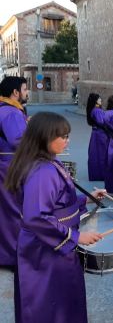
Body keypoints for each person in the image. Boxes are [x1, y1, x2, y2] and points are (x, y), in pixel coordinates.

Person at [5, 112, 106, 323]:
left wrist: (84, 200)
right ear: (44, 137)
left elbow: (56, 204)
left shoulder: (47, 161)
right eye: (62, 136)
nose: (67, 140)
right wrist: (76, 237)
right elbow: (37, 217)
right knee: (49, 304)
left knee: (58, 301)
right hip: (45, 250)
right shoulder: (43, 171)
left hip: (48, 245)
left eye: (68, 135)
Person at [0, 76, 28, 269]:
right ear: (15, 92)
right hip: (9, 166)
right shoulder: (11, 112)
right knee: (13, 213)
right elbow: (19, 140)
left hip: (4, 164)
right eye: (25, 89)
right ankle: (12, 257)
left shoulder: (4, 108)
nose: (27, 93)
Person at [86, 93, 108, 181]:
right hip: (101, 134)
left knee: (95, 154)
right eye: (99, 99)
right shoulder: (97, 110)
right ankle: (101, 175)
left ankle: (96, 174)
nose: (101, 100)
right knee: (102, 154)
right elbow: (102, 122)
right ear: (95, 101)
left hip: (96, 134)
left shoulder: (94, 109)